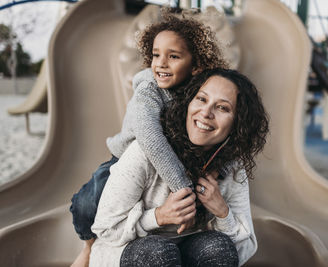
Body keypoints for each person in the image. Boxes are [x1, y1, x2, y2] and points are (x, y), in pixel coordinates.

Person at [70, 9, 227, 267]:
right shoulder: (148, 92)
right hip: (126, 157)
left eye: (173, 56)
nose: (161, 63)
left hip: (168, 162)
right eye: (156, 55)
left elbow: (220, 126)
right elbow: (151, 140)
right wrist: (183, 190)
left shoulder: (199, 92)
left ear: (196, 66)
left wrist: (219, 168)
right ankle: (89, 246)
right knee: (89, 202)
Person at [90, 68, 270, 267]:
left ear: (238, 123)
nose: (206, 112)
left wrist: (222, 213)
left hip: (187, 253)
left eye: (222, 108)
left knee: (218, 249)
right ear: (188, 102)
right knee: (159, 254)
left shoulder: (233, 168)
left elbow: (245, 247)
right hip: (127, 252)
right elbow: (106, 229)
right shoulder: (144, 152)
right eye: (201, 99)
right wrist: (158, 216)